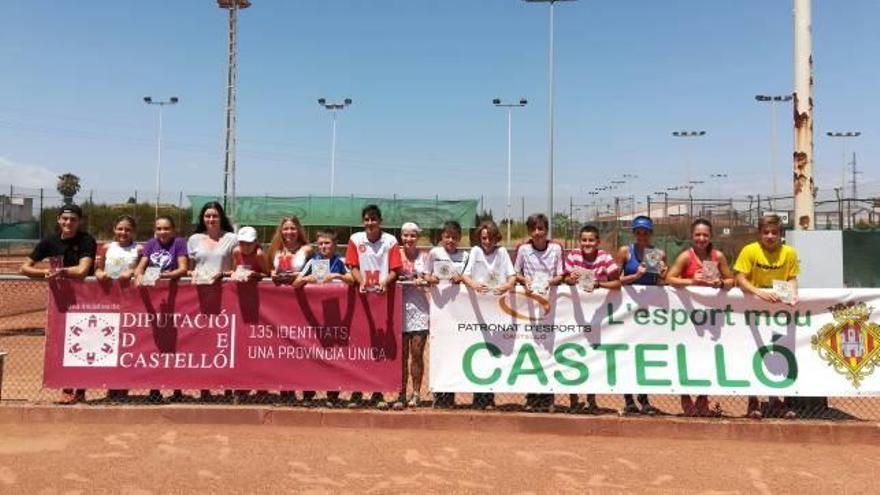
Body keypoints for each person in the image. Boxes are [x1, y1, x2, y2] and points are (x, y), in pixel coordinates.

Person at [20, 204, 97, 405]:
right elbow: (24, 267)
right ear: (58, 219)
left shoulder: (86, 240)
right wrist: (46, 274)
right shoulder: (49, 242)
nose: (68, 223)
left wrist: (61, 272)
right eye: (65, 219)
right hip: (60, 303)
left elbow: (82, 271)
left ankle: (80, 390)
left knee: (85, 344)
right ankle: (66, 388)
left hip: (86, 301)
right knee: (63, 345)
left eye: (73, 219)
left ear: (79, 221)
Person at [665, 219, 735, 417]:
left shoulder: (717, 256)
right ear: (692, 236)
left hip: (711, 318)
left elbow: (732, 280)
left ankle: (703, 397)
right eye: (698, 235)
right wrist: (692, 281)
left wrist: (720, 283)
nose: (701, 238)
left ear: (710, 236)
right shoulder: (685, 257)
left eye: (705, 235)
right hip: (686, 318)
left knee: (707, 356)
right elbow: (669, 278)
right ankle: (685, 396)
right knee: (684, 356)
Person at [733, 214, 800, 420]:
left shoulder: (789, 252)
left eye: (774, 232)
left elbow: (791, 278)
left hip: (776, 313)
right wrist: (758, 293)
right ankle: (752, 401)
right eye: (766, 232)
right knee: (752, 352)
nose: (770, 236)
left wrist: (793, 293)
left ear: (780, 234)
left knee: (777, 353)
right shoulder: (750, 250)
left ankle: (775, 401)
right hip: (752, 311)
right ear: (759, 233)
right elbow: (740, 277)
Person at [345, 204, 403, 409]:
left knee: (380, 347)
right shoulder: (355, 240)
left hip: (384, 299)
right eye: (366, 219)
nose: (370, 223)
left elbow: (396, 270)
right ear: (363, 222)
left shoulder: (391, 241)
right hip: (361, 298)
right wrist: (360, 281)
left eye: (373, 219)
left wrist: (384, 283)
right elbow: (353, 266)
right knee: (360, 344)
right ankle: (357, 391)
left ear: (380, 221)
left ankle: (377, 392)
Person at [563, 224, 621, 414]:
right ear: (580, 241)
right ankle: (573, 400)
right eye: (584, 240)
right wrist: (570, 279)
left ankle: (591, 400)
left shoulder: (604, 257)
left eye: (591, 240)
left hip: (600, 317)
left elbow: (617, 283)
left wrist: (599, 284)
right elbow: (566, 279)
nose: (587, 243)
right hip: (575, 315)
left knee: (594, 356)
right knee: (573, 354)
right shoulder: (573, 256)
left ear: (598, 242)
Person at [292, 228, 352, 408]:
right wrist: (307, 279)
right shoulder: (312, 261)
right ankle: (308, 394)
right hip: (314, 317)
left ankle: (332, 395)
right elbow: (295, 284)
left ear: (335, 244)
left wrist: (337, 276)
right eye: (321, 244)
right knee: (312, 354)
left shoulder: (340, 261)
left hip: (335, 316)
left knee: (334, 355)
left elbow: (352, 279)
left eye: (327, 243)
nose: (324, 246)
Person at [134, 215, 189, 403]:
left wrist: (166, 275)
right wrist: (139, 276)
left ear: (173, 230)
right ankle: (154, 389)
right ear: (154, 230)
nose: (162, 232)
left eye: (166, 228)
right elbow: (140, 267)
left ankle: (178, 390)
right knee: (154, 346)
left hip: (175, 301)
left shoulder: (180, 243)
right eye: (159, 228)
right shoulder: (150, 244)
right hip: (154, 301)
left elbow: (183, 268)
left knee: (176, 346)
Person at [461, 220, 516, 410]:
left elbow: (512, 277)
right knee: (478, 350)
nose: (487, 241)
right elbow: (465, 276)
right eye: (484, 238)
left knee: (494, 352)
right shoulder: (475, 251)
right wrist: (474, 285)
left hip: (498, 310)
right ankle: (479, 397)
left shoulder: (502, 253)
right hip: (477, 310)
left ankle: (489, 397)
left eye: (491, 238)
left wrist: (505, 287)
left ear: (496, 238)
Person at [615, 215, 666, 415]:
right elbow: (615, 280)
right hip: (626, 312)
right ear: (634, 233)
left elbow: (661, 283)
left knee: (644, 354)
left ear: (651, 233)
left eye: (646, 232)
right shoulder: (625, 252)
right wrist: (635, 276)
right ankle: (628, 400)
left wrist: (662, 274)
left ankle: (644, 400)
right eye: (638, 232)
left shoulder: (658, 254)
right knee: (627, 354)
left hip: (648, 313)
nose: (642, 236)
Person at [514, 213, 564, 412]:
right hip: (529, 306)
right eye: (534, 229)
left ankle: (548, 395)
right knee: (530, 349)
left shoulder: (556, 249)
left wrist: (548, 282)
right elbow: (516, 272)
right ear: (529, 232)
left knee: (549, 349)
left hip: (550, 306)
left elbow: (560, 274)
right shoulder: (524, 250)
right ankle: (532, 395)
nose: (538, 233)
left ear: (546, 230)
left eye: (541, 228)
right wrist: (525, 281)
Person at [188, 201, 236, 401]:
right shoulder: (194, 239)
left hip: (226, 297)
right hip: (199, 298)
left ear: (221, 217)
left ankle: (228, 389)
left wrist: (222, 274)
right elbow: (189, 268)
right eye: (207, 216)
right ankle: (204, 388)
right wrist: (194, 274)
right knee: (202, 343)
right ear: (202, 218)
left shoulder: (232, 239)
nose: (211, 219)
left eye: (215, 216)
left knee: (226, 343)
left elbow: (237, 268)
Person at [423, 221, 470, 409]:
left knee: (456, 352)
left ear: (459, 238)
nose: (450, 240)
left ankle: (452, 393)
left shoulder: (465, 255)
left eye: (454, 237)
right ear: (442, 237)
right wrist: (431, 278)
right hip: (440, 312)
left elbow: (470, 277)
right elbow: (425, 275)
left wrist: (461, 279)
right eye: (447, 236)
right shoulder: (435, 253)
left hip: (460, 312)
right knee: (440, 352)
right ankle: (441, 396)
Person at [389, 223, 430, 410]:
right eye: (405, 235)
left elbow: (431, 280)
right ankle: (400, 394)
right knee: (401, 356)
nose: (408, 239)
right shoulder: (394, 255)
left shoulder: (425, 257)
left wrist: (424, 281)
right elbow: (388, 276)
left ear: (417, 237)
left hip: (420, 310)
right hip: (398, 309)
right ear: (401, 236)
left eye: (412, 235)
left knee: (417, 354)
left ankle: (416, 394)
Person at [267, 216, 313, 285]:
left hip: (299, 290)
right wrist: (272, 273)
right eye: (285, 229)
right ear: (281, 231)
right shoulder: (275, 248)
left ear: (299, 230)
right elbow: (268, 269)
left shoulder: (307, 250)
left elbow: (315, 273)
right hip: (278, 290)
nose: (289, 232)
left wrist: (300, 275)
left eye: (293, 228)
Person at [94, 215, 141, 283]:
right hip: (109, 291)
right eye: (120, 229)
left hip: (130, 291)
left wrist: (132, 272)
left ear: (133, 231)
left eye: (128, 230)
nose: (123, 232)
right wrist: (99, 274)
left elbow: (142, 271)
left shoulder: (139, 249)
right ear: (114, 229)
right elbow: (99, 269)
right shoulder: (107, 248)